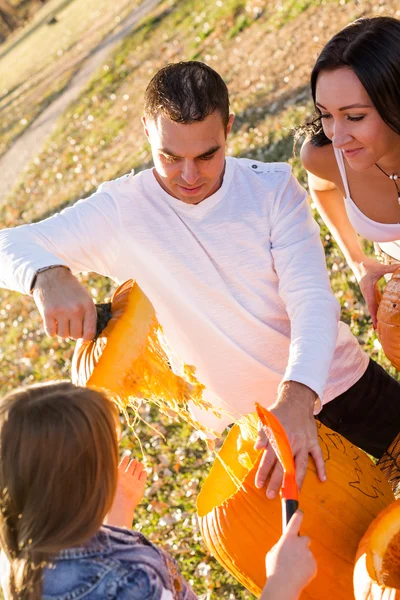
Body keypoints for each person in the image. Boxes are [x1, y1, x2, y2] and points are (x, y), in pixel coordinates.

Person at [0, 61, 399, 500]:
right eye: (170, 157)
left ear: (228, 127)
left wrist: (298, 397)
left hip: (339, 386)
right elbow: (8, 245)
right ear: (147, 131)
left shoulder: (272, 190)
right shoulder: (119, 210)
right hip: (251, 434)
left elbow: (312, 302)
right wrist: (46, 274)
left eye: (207, 155)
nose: (189, 177)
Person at [0, 380, 316, 600]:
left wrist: (119, 511)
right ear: (86, 487)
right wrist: (281, 582)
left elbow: (89, 569)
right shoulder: (131, 583)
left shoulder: (23, 560)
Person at [300, 16, 400, 329]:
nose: (337, 137)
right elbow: (322, 187)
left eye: (355, 117)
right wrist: (357, 260)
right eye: (325, 115)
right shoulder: (324, 156)